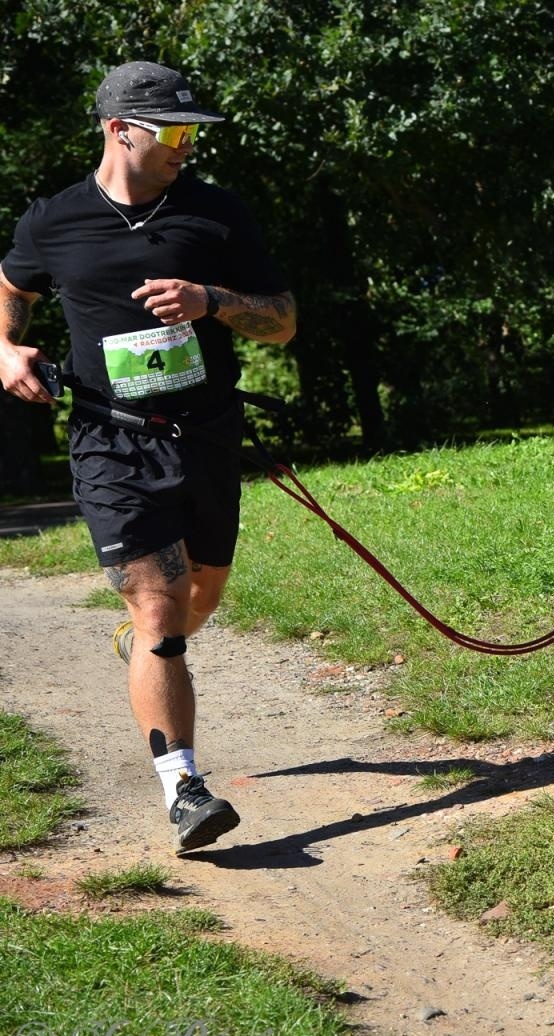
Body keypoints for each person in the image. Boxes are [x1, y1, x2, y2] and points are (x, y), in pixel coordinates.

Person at [0, 61, 296, 853]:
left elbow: (283, 320)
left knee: (201, 596)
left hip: (204, 434)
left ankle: (149, 648)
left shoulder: (217, 215)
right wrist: (6, 348)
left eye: (194, 132)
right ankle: (185, 790)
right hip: (109, 436)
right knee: (161, 606)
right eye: (173, 131)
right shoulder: (53, 221)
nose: (186, 146)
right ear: (118, 129)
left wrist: (213, 302)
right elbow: (12, 284)